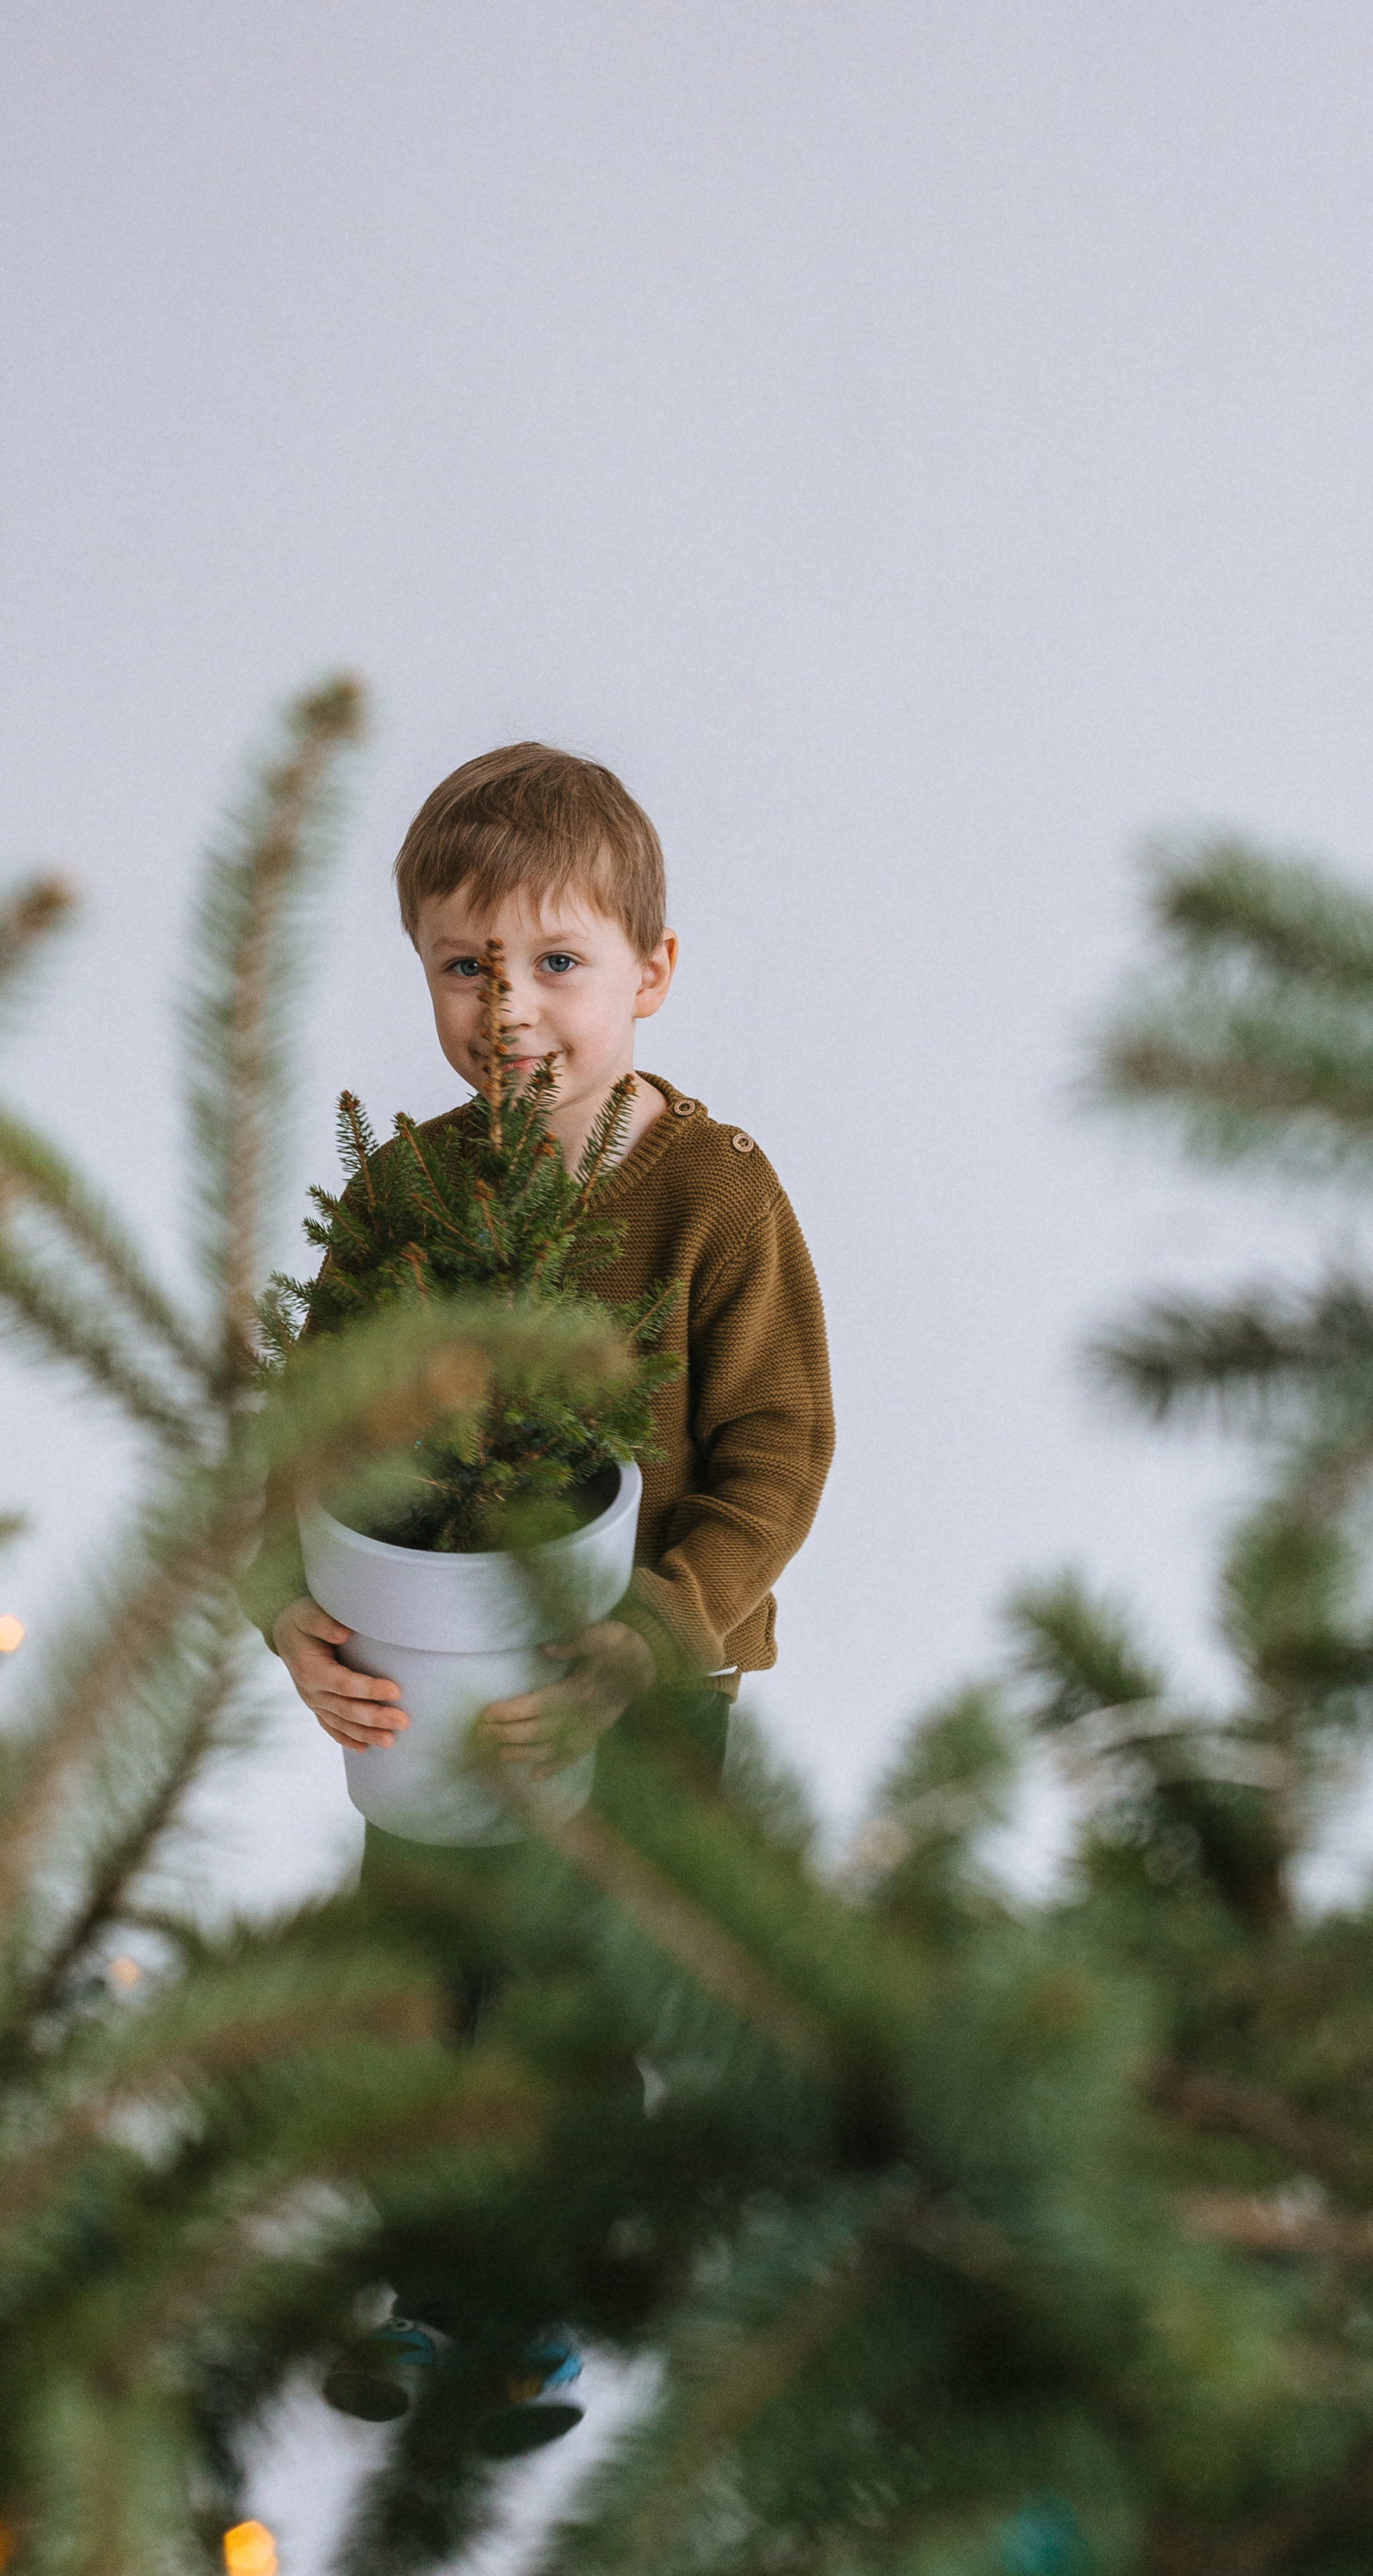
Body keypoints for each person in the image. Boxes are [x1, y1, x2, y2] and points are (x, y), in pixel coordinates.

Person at [260, 742, 836, 2447]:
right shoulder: (403, 1201)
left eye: (556, 963)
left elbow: (775, 1451)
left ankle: (540, 2311)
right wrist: (286, 1618)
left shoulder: (711, 1199)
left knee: (580, 1999)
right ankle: (434, 2285)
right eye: (463, 964)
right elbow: (301, 1451)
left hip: (639, 1694)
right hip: (426, 1682)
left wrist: (648, 1636)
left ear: (650, 975)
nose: (507, 1008)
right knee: (433, 1992)